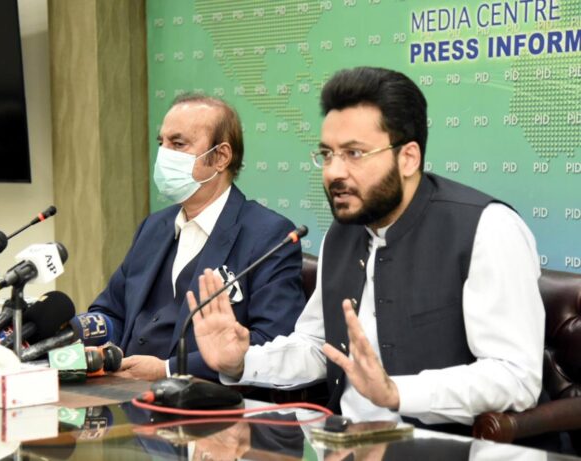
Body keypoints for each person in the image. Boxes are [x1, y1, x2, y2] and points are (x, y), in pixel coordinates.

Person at [186, 67, 545, 431]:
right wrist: (241, 361)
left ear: (408, 158)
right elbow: (318, 347)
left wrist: (399, 393)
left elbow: (516, 377)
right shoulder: (342, 234)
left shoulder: (488, 228)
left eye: (354, 153)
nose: (334, 172)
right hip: (345, 443)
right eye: (327, 154)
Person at [88, 94, 306, 382]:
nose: (164, 154)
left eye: (178, 144)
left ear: (221, 157)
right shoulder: (153, 227)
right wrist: (80, 331)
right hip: (121, 390)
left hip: (202, 399)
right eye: (161, 143)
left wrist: (168, 369)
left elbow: (273, 343)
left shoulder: (269, 235)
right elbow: (111, 311)